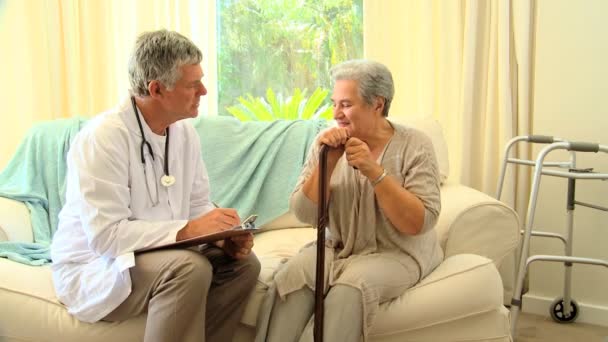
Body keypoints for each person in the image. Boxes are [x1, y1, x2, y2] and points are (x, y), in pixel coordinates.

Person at [50, 29, 260, 342]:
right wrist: (189, 231)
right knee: (189, 268)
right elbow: (106, 237)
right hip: (98, 265)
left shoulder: (183, 133)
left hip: (159, 251)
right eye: (193, 84)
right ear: (157, 89)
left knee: (244, 266)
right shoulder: (104, 138)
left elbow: (197, 203)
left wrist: (221, 236)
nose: (203, 90)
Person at [256, 60, 443, 342]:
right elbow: (305, 214)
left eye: (346, 104)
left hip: (398, 252)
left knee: (350, 289)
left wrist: (374, 171)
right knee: (291, 278)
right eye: (335, 103)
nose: (336, 114)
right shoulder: (326, 143)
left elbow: (418, 222)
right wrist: (327, 164)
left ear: (377, 104)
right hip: (337, 247)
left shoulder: (415, 144)